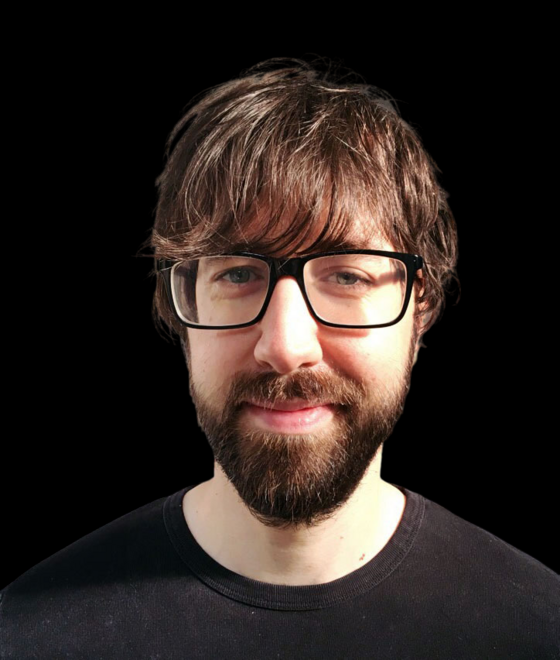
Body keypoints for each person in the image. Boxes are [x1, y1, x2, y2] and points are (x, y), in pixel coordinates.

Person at [1, 57, 558, 659]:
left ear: (419, 309)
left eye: (347, 276)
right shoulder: (29, 636)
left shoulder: (538, 629)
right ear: (179, 305)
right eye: (238, 273)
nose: (286, 348)